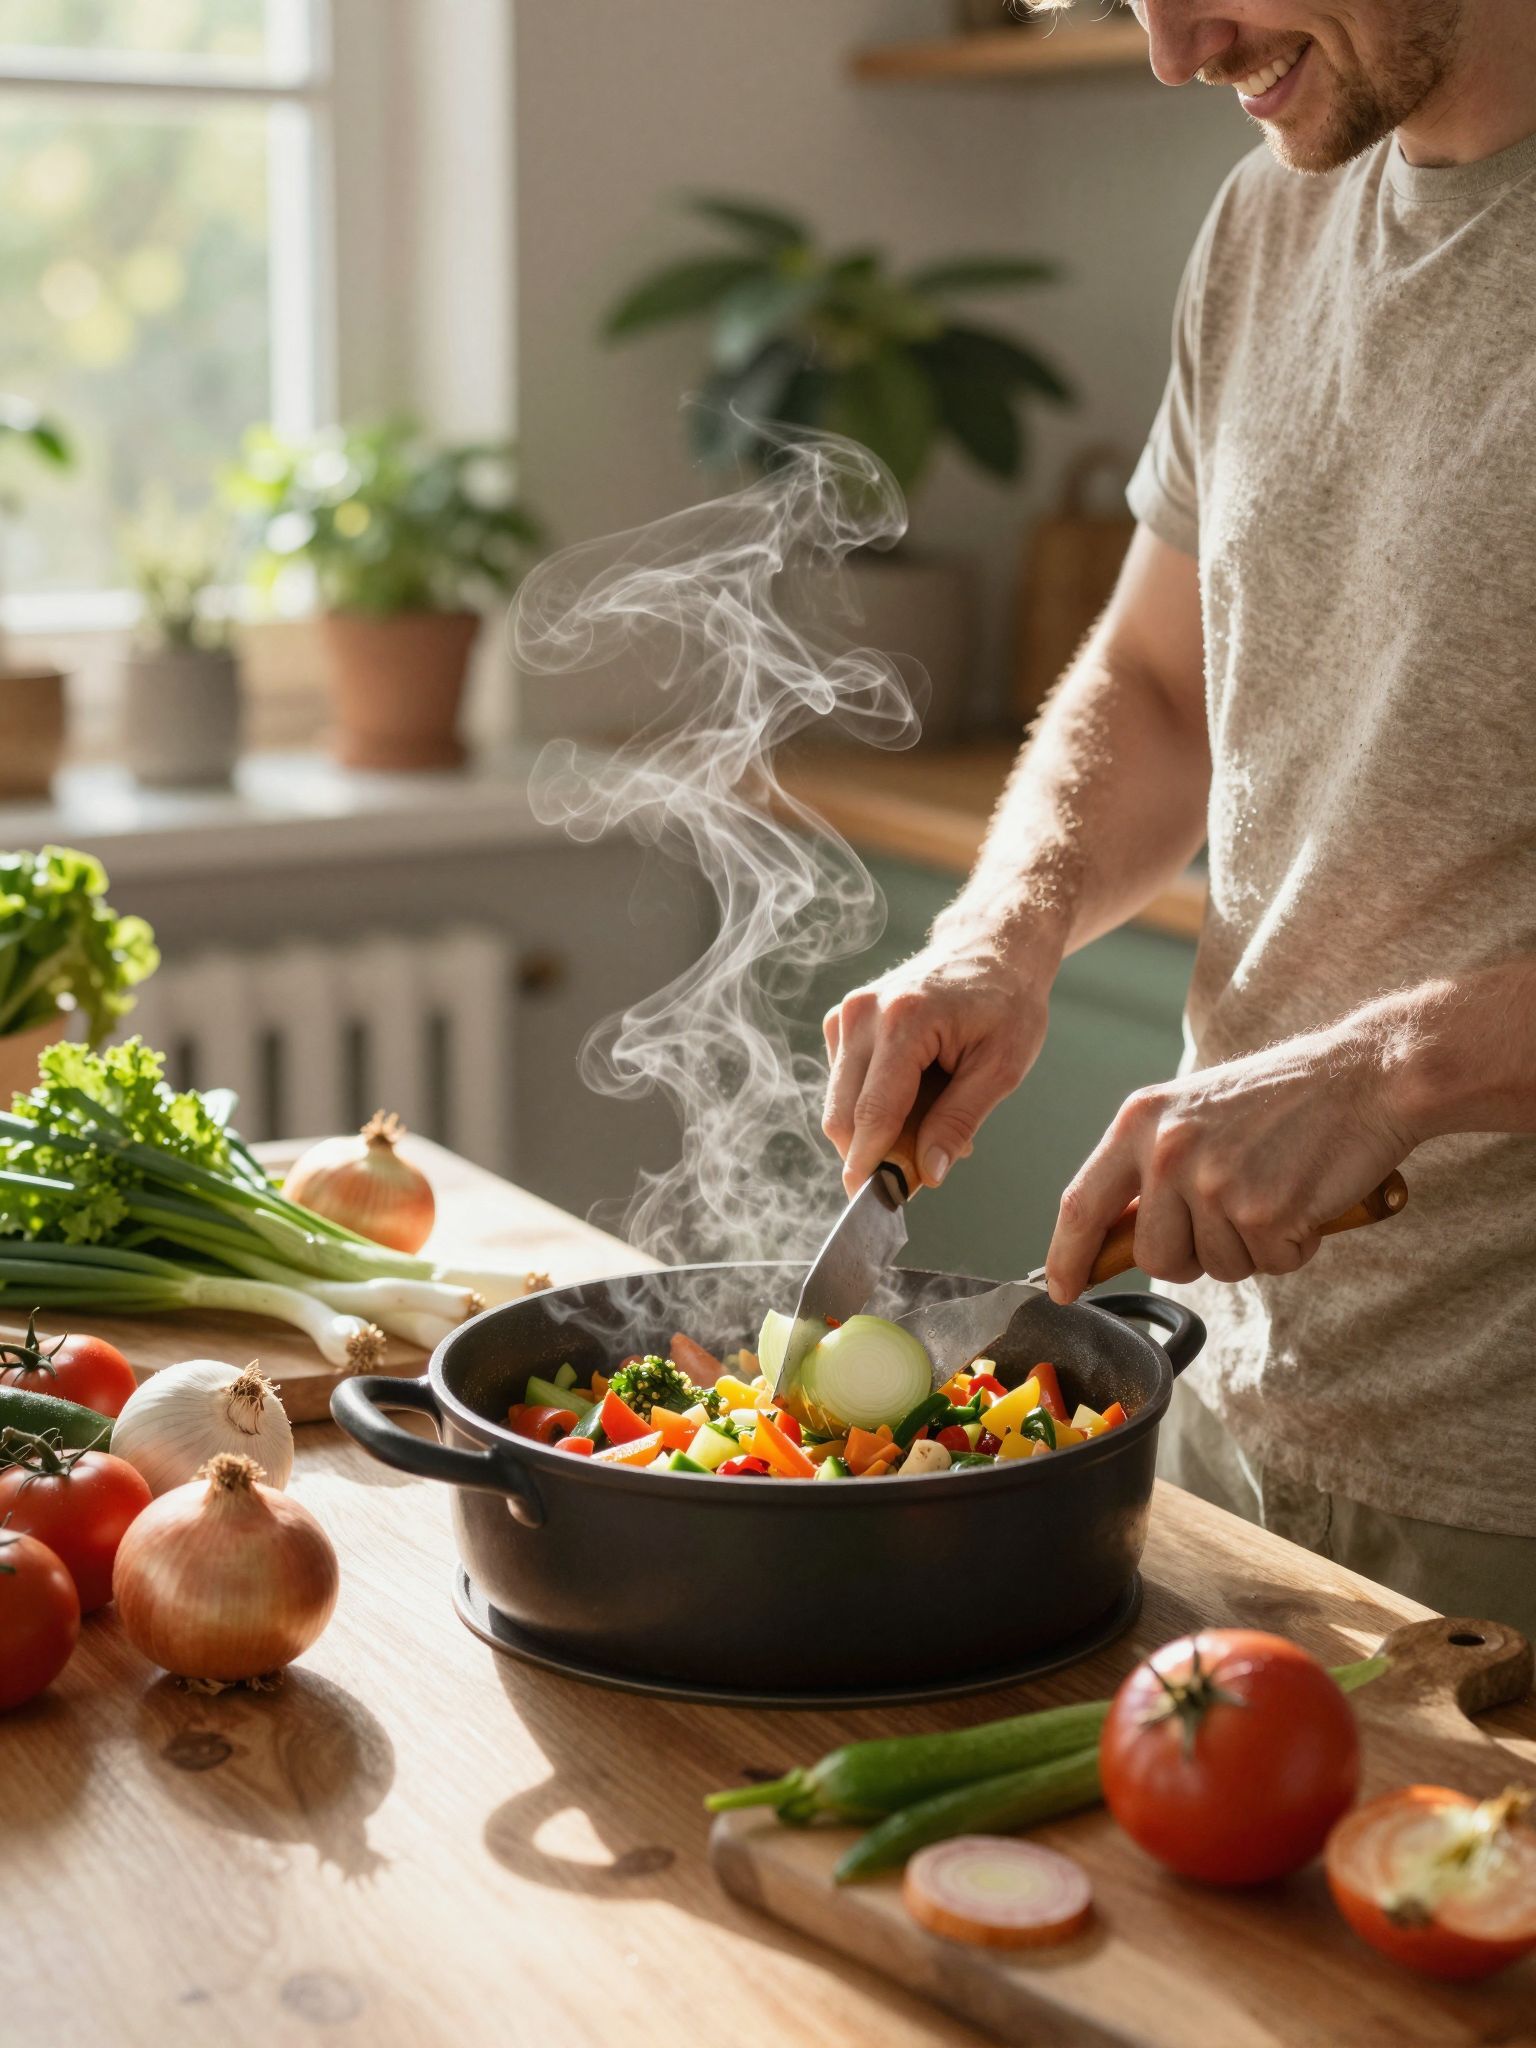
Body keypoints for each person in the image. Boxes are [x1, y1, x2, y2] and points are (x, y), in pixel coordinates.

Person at [821, 0, 1536, 1633]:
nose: (1170, 48)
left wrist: (1396, 1067)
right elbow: (1159, 680)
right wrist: (1001, 932)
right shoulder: (1269, 218)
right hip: (1233, 1411)